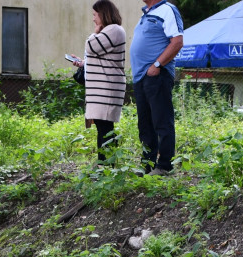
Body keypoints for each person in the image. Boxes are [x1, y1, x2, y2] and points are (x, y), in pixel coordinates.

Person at [130, 0, 183, 175]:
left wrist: (157, 65)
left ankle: (164, 165)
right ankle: (147, 164)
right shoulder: (145, 14)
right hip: (141, 77)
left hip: (157, 75)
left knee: (162, 121)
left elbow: (177, 42)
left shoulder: (167, 10)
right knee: (145, 124)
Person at [74, 1, 126, 164]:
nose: (93, 19)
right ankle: (105, 164)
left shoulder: (114, 30)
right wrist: (84, 64)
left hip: (106, 88)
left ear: (104, 14)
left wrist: (95, 32)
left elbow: (91, 46)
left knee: (105, 128)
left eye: (95, 15)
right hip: (102, 88)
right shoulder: (109, 31)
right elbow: (101, 57)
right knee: (103, 127)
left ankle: (106, 166)